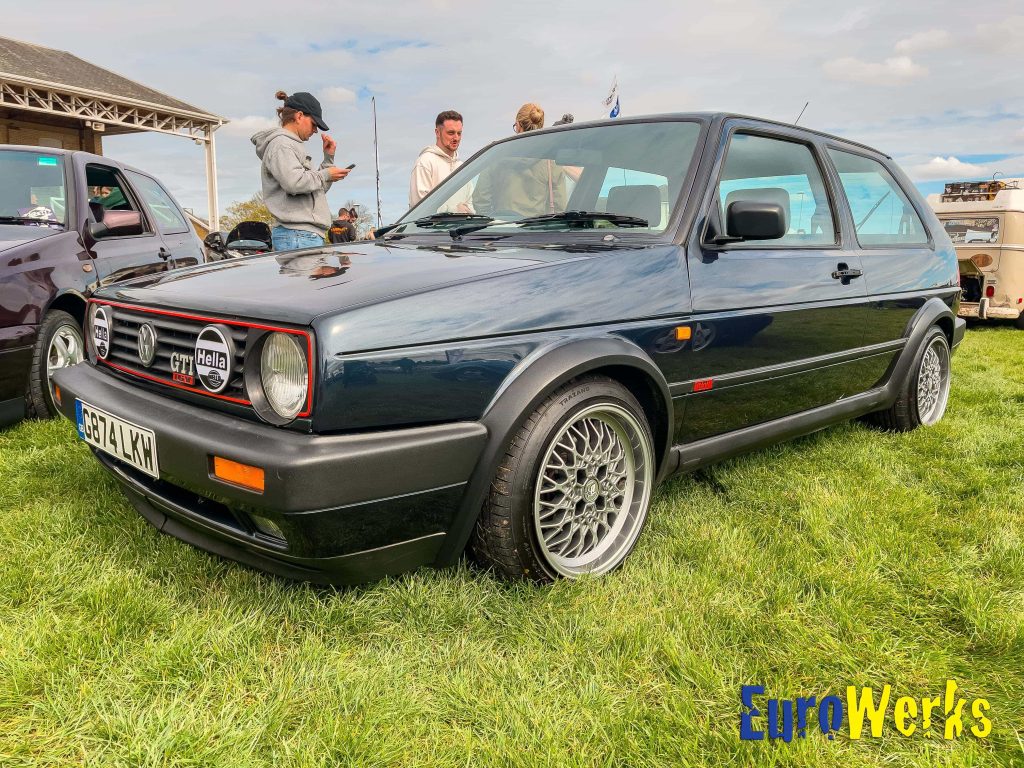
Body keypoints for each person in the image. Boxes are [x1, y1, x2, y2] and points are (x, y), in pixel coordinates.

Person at [252, 90, 350, 252]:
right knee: (301, 279)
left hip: (301, 235)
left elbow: (315, 188)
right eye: (314, 124)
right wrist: (327, 174)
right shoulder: (282, 145)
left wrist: (328, 160)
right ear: (299, 116)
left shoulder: (289, 145)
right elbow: (294, 183)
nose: (315, 130)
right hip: (297, 235)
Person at [472, 103, 568, 217]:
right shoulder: (550, 162)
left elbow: (481, 199)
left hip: (501, 230)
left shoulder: (496, 155)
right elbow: (560, 206)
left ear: (518, 125)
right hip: (537, 231)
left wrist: (492, 224)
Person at [409, 110, 465, 208]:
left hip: (465, 223)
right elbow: (419, 208)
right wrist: (455, 210)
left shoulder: (462, 167)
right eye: (451, 133)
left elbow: (469, 205)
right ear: (437, 132)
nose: (456, 138)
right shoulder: (425, 163)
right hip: (433, 224)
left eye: (459, 133)